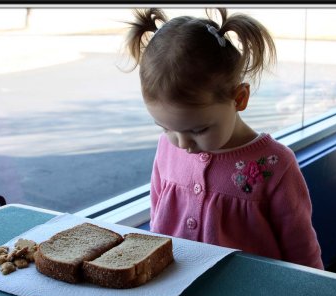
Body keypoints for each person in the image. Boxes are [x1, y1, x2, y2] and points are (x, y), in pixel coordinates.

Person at [124, 8, 324, 269]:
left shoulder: (275, 165)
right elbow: (156, 207)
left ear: (239, 98)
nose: (182, 144)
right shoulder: (167, 146)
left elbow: (301, 248)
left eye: (198, 130)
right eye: (165, 127)